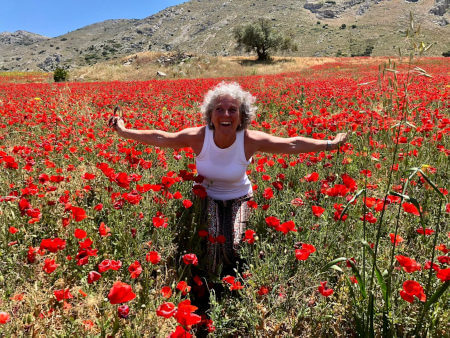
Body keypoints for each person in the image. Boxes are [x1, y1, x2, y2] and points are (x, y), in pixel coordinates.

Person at [109, 82, 347, 276]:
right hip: (208, 196)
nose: (225, 114)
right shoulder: (198, 137)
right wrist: (123, 131)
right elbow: (162, 138)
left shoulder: (250, 139)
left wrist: (330, 143)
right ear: (210, 115)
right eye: (219, 109)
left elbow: (292, 143)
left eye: (232, 110)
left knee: (233, 244)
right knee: (213, 241)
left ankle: (236, 282)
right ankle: (212, 284)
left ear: (242, 116)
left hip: (240, 197)